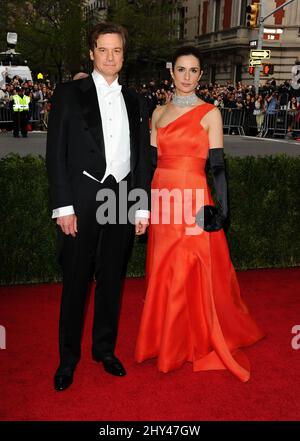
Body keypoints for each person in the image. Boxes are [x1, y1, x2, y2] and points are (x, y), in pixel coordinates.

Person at [135, 46, 264, 382]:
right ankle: (164, 339)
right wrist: (141, 207)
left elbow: (218, 166)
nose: (187, 77)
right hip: (162, 197)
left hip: (193, 198)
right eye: (181, 70)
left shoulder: (211, 113)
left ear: (200, 75)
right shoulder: (159, 113)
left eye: (193, 71)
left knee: (190, 268)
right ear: (171, 72)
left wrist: (221, 210)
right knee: (163, 267)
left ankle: (185, 343)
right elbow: (148, 165)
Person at [46, 22, 151, 392]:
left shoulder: (137, 101)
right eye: (103, 50)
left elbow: (141, 158)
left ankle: (104, 350)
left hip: (121, 195)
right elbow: (55, 154)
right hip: (82, 195)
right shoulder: (69, 93)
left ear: (124, 55)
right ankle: (68, 359)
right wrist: (63, 207)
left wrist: (140, 207)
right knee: (76, 280)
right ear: (92, 52)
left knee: (112, 279)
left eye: (117, 51)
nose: (110, 57)